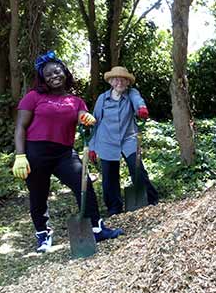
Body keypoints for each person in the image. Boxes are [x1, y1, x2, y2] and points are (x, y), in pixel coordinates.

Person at [12, 51, 124, 253]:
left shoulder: (75, 100)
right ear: (42, 79)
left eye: (57, 72)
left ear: (65, 72)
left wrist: (86, 118)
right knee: (38, 194)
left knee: (83, 183)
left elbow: (82, 114)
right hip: (36, 151)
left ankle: (96, 229)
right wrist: (20, 155)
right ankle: (43, 235)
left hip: (64, 153)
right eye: (48, 75)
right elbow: (20, 126)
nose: (54, 76)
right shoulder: (33, 97)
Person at [88, 66, 158, 216]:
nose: (119, 82)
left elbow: (138, 101)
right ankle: (114, 208)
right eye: (115, 79)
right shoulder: (102, 99)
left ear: (127, 82)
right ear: (111, 82)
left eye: (123, 79)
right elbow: (95, 123)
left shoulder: (132, 93)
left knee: (137, 168)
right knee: (109, 176)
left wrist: (141, 108)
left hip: (128, 138)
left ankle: (150, 200)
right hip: (106, 140)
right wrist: (92, 146)